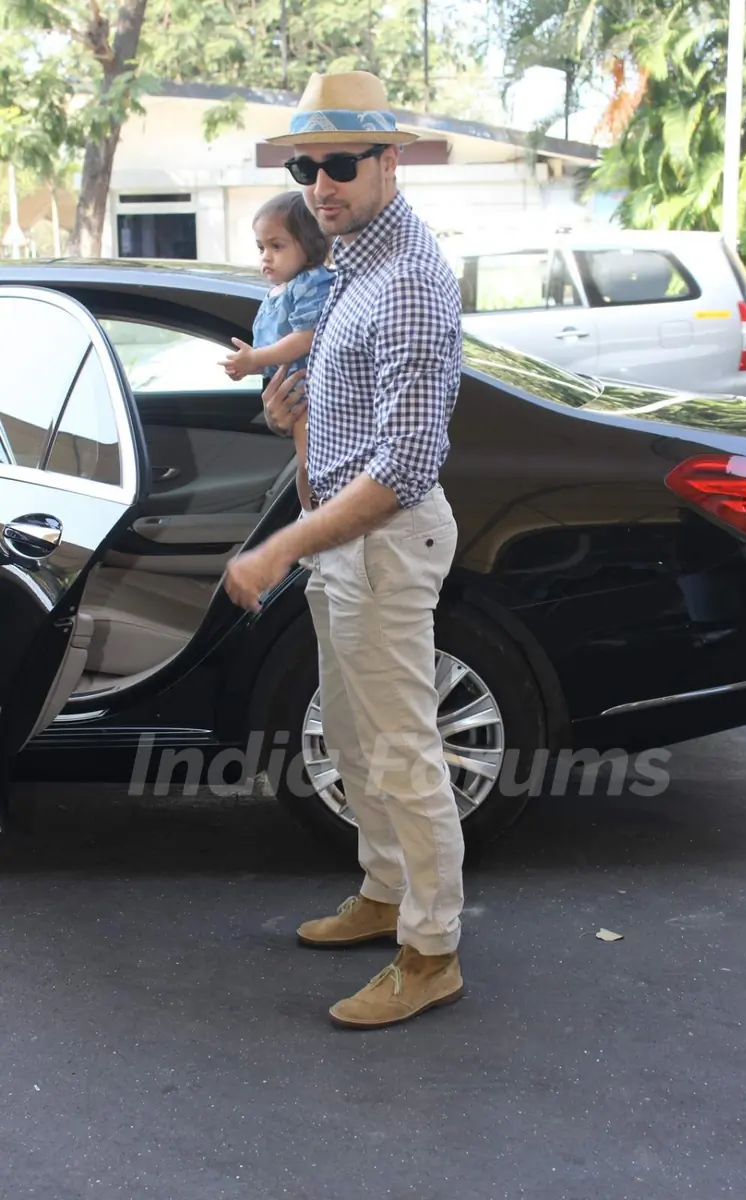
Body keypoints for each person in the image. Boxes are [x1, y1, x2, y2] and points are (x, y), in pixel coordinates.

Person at [223, 70, 465, 1030]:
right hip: (346, 544)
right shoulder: (352, 265)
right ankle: (384, 893)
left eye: (341, 163)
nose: (321, 183)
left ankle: (432, 951)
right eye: (306, 167)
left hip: (385, 543)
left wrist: (276, 549)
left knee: (403, 751)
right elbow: (342, 425)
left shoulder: (407, 280)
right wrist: (294, 424)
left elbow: (402, 467)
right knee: (357, 742)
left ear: (388, 161)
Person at [220, 191, 333, 386]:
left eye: (276, 246)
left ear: (310, 245)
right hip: (281, 391)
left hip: (308, 393)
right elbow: (275, 356)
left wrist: (255, 358)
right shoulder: (276, 291)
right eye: (261, 248)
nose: (265, 256)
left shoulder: (310, 283)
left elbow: (305, 339)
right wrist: (248, 365)